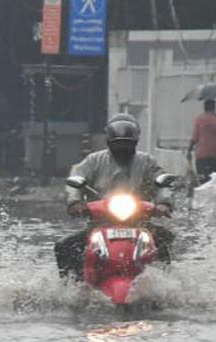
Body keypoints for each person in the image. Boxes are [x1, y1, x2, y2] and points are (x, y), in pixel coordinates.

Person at [54, 114, 174, 279]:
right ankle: (71, 284)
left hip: (140, 222)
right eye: (118, 144)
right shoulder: (93, 161)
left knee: (165, 238)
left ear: (135, 142)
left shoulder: (147, 161)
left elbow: (161, 182)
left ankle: (165, 282)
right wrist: (74, 202)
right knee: (64, 246)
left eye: (127, 144)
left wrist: (163, 203)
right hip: (99, 222)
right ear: (109, 143)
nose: (122, 148)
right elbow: (76, 178)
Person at [187, 98, 216, 185]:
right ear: (214, 108)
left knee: (202, 179)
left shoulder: (199, 119)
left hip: (201, 155)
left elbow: (194, 137)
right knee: (213, 180)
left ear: (204, 108)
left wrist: (189, 151)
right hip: (214, 154)